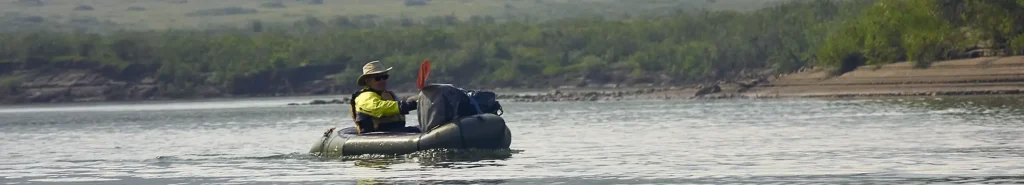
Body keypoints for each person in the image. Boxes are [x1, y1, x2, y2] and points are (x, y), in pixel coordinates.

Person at [348, 60, 420, 134]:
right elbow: (378, 107)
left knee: (418, 129)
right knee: (414, 130)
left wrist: (418, 101)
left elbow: (403, 103)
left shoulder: (387, 94)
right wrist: (403, 106)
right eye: (378, 78)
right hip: (374, 135)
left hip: (394, 131)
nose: (382, 81)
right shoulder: (364, 96)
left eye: (384, 77)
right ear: (368, 81)